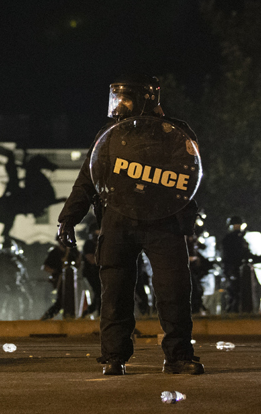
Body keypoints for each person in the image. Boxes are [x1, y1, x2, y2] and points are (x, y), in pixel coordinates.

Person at [56, 74, 204, 375]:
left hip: (163, 221)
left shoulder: (174, 132)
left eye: (126, 98)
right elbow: (87, 180)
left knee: (174, 290)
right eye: (117, 97)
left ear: (146, 99)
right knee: (115, 291)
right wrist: (68, 218)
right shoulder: (109, 134)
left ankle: (178, 356)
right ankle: (114, 356)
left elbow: (189, 175)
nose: (120, 104)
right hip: (118, 220)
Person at [221, 216, 261, 313]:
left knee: (236, 292)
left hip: (233, 269)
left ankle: (234, 311)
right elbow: (241, 254)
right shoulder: (234, 239)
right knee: (236, 292)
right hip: (234, 268)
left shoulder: (233, 238)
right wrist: (258, 258)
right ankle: (234, 312)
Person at [39, 237, 80, 320]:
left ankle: (69, 316)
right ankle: (47, 317)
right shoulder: (54, 252)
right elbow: (46, 267)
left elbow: (78, 262)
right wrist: (56, 271)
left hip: (71, 279)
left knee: (70, 299)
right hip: (59, 279)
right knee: (61, 301)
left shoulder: (72, 251)